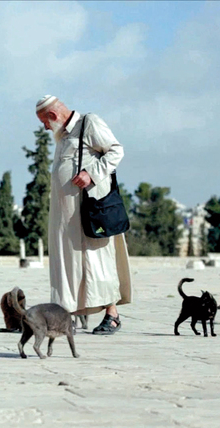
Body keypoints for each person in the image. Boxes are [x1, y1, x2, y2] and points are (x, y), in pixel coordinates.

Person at [35, 95, 132, 335]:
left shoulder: (89, 124)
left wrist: (91, 174)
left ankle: (113, 316)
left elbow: (116, 152)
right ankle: (67, 317)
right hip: (65, 219)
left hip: (89, 214)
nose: (45, 128)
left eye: (45, 122)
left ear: (53, 116)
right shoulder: (62, 136)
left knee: (99, 264)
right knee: (68, 267)